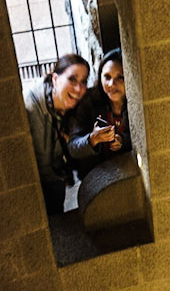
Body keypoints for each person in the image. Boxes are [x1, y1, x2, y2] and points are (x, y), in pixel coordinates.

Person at [23, 52, 88, 214]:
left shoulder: (73, 106)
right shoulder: (33, 107)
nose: (78, 88)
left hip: (57, 173)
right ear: (55, 79)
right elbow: (42, 163)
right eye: (72, 79)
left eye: (83, 82)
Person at [68, 48, 132, 179]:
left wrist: (122, 141)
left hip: (129, 172)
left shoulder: (137, 104)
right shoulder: (90, 102)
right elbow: (73, 147)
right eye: (107, 77)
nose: (111, 84)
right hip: (96, 175)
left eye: (120, 77)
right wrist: (92, 139)